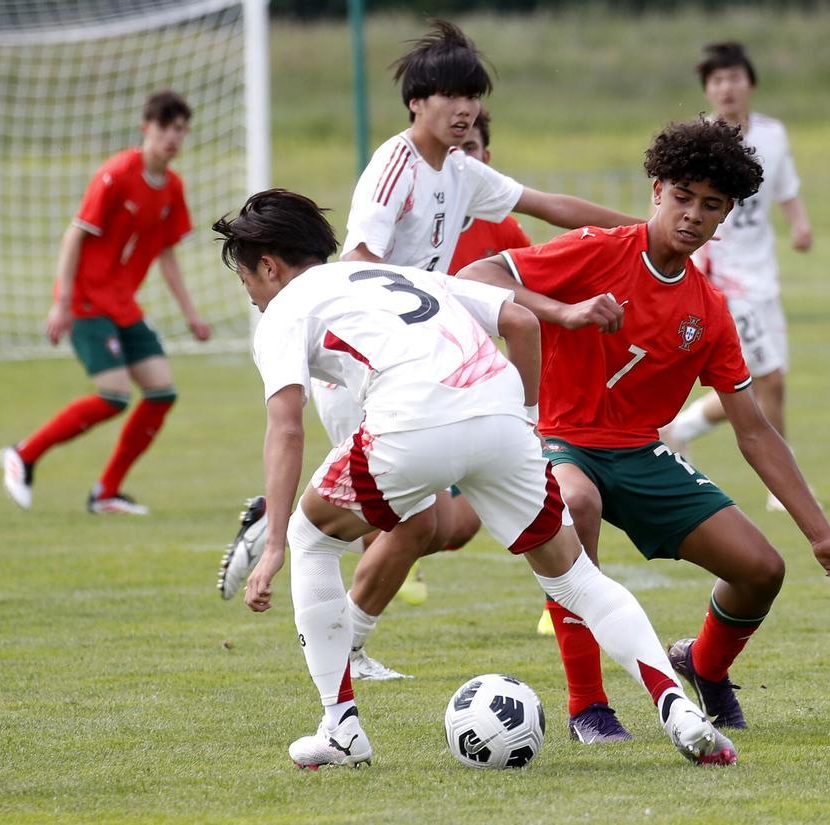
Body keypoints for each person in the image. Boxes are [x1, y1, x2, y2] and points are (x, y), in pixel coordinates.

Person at [212, 188, 737, 769]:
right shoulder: (396, 276)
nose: (255, 298)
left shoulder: (287, 308)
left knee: (315, 539)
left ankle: (340, 731)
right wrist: (529, 425)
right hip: (500, 416)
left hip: (410, 423)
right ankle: (677, 708)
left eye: (248, 282)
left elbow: (286, 428)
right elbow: (518, 320)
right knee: (576, 579)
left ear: (268, 265)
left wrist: (276, 541)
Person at [218, 20, 641, 678]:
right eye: (448, 93)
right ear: (417, 102)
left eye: (472, 94)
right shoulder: (395, 168)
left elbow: (549, 204)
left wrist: (647, 233)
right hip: (363, 370)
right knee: (420, 525)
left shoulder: (462, 169)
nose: (464, 107)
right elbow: (358, 261)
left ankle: (328, 605)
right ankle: (337, 638)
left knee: (447, 525)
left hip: (422, 363)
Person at [458, 117, 830, 741]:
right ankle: (587, 707)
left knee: (762, 570)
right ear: (656, 190)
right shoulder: (599, 248)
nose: (693, 215)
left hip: (642, 455)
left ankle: (703, 665)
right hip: (561, 440)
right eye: (682, 197)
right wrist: (561, 311)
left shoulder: (708, 309)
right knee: (576, 502)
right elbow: (475, 278)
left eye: (711, 206)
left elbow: (754, 431)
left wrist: (821, 535)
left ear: (726, 214)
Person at [0, 90, 209, 515]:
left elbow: (167, 253)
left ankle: (106, 491)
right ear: (146, 128)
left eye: (181, 129)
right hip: (87, 300)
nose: (174, 137)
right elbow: (75, 235)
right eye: (167, 128)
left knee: (161, 391)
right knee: (113, 395)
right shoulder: (116, 174)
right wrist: (63, 303)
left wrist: (191, 314)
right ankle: (23, 454)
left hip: (122, 304)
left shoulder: (173, 187)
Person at [662, 43, 814, 513]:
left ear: (750, 83)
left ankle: (682, 430)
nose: (726, 88)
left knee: (767, 380)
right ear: (708, 90)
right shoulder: (700, 139)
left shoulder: (772, 135)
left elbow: (784, 188)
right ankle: (781, 487)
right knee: (767, 378)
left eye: (734, 78)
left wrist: (800, 223)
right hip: (723, 275)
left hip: (763, 274)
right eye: (716, 81)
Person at [446, 109, 532, 275]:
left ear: (485, 158)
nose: (459, 157)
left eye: (469, 148)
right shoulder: (408, 220)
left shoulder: (506, 229)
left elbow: (529, 285)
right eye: (450, 149)